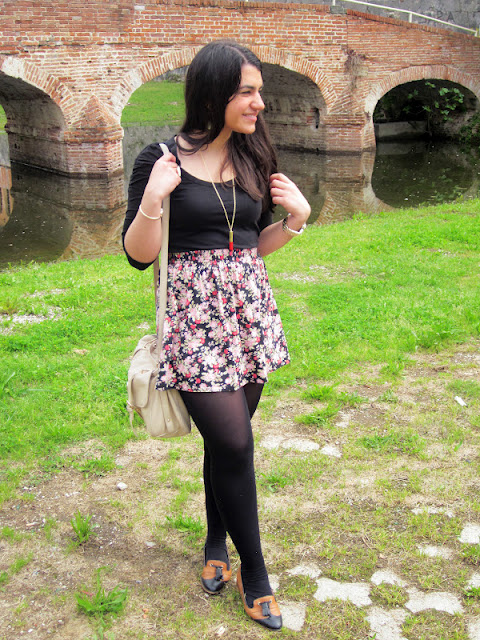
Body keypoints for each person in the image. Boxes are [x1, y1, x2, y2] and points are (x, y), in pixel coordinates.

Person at [122, 40, 310, 631]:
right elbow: (137, 255)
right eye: (247, 92)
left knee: (227, 443)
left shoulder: (255, 154)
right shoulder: (160, 160)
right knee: (233, 443)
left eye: (259, 92)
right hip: (194, 324)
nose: (260, 103)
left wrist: (296, 222)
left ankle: (213, 541)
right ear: (214, 93)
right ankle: (257, 577)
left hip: (248, 318)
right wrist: (154, 199)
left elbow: (253, 246)